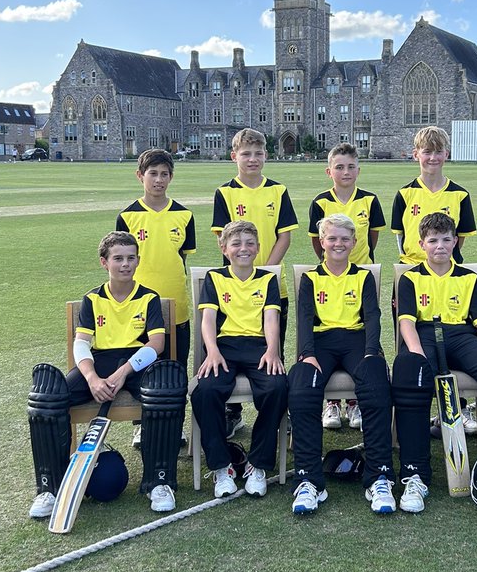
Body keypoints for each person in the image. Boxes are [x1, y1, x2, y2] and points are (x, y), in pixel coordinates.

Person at [27, 232, 187, 518]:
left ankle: (159, 482)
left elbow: (156, 345)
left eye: (131, 258)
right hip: (99, 362)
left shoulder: (149, 298)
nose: (125, 264)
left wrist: (124, 372)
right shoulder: (92, 299)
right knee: (47, 398)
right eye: (118, 259)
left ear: (137, 261)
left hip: (138, 363)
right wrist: (91, 378)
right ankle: (50, 487)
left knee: (166, 389)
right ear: (104, 262)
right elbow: (82, 344)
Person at [391, 213, 477, 513]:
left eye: (446, 239)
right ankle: (415, 475)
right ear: (421, 244)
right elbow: (406, 323)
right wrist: (416, 352)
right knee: (411, 374)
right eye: (433, 240)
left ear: (455, 241)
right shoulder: (410, 278)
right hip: (425, 333)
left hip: (460, 335)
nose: (440, 246)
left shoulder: (469, 277)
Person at [289, 214, 395, 515]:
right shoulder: (310, 278)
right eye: (332, 238)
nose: (338, 243)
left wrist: (372, 351)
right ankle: (310, 480)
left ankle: (380, 476)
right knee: (300, 390)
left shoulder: (363, 277)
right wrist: (306, 353)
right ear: (321, 242)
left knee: (376, 387)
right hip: (321, 344)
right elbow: (306, 318)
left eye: (344, 239)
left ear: (354, 242)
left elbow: (373, 316)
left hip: (357, 342)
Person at [189, 220, 289, 499]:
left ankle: (257, 465)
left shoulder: (268, 279)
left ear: (258, 248)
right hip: (223, 347)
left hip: (258, 347)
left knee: (277, 387)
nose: (243, 249)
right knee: (204, 390)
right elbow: (207, 320)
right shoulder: (215, 277)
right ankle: (222, 468)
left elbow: (271, 319)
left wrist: (272, 350)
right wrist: (212, 351)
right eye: (236, 243)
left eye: (249, 243)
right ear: (224, 247)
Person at [391, 125, 477, 433]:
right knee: (413, 346)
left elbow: (461, 239)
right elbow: (400, 239)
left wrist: (442, 260)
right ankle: (420, 410)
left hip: (449, 275)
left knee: (458, 340)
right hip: (412, 277)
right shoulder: (404, 194)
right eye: (426, 152)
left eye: (438, 151)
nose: (432, 157)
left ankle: (459, 409)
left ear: (447, 154)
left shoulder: (459, 194)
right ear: (416, 154)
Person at [211, 128, 297, 435]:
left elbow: (284, 236)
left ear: (266, 156)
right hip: (233, 289)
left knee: (274, 351)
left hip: (274, 285)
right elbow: (225, 241)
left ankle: (278, 415)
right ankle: (232, 413)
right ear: (234, 157)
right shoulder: (225, 193)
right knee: (230, 347)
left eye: (258, 153)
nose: (253, 159)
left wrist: (266, 274)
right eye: (246, 154)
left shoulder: (278, 190)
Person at [307, 142, 386, 430]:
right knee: (328, 330)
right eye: (339, 166)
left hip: (363, 275)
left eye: (351, 166)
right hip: (331, 276)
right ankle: (331, 404)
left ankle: (354, 405)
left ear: (359, 170)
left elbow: (372, 238)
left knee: (361, 337)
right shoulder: (320, 202)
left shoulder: (370, 200)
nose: (346, 171)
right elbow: (318, 243)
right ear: (329, 171)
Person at [115, 148, 196, 364]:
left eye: (164, 174)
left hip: (176, 303)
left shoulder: (185, 215)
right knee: (143, 373)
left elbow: (181, 259)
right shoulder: (127, 216)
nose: (158, 180)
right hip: (139, 306)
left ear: (171, 177)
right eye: (153, 173)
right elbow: (121, 264)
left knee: (177, 369)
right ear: (140, 175)